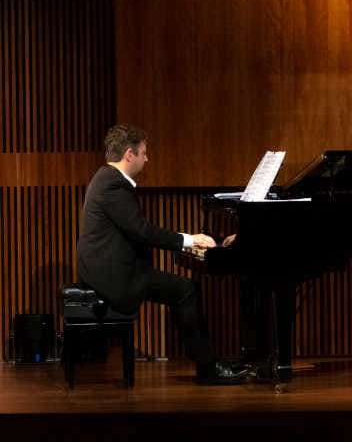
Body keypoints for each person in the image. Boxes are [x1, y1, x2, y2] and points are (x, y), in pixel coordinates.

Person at [77, 124, 252, 384]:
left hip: (110, 270)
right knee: (185, 290)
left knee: (182, 288)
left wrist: (186, 241)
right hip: (113, 277)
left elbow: (137, 231)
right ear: (129, 154)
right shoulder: (113, 185)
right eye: (143, 153)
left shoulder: (106, 179)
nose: (147, 158)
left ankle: (209, 362)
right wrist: (188, 240)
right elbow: (141, 231)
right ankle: (208, 368)